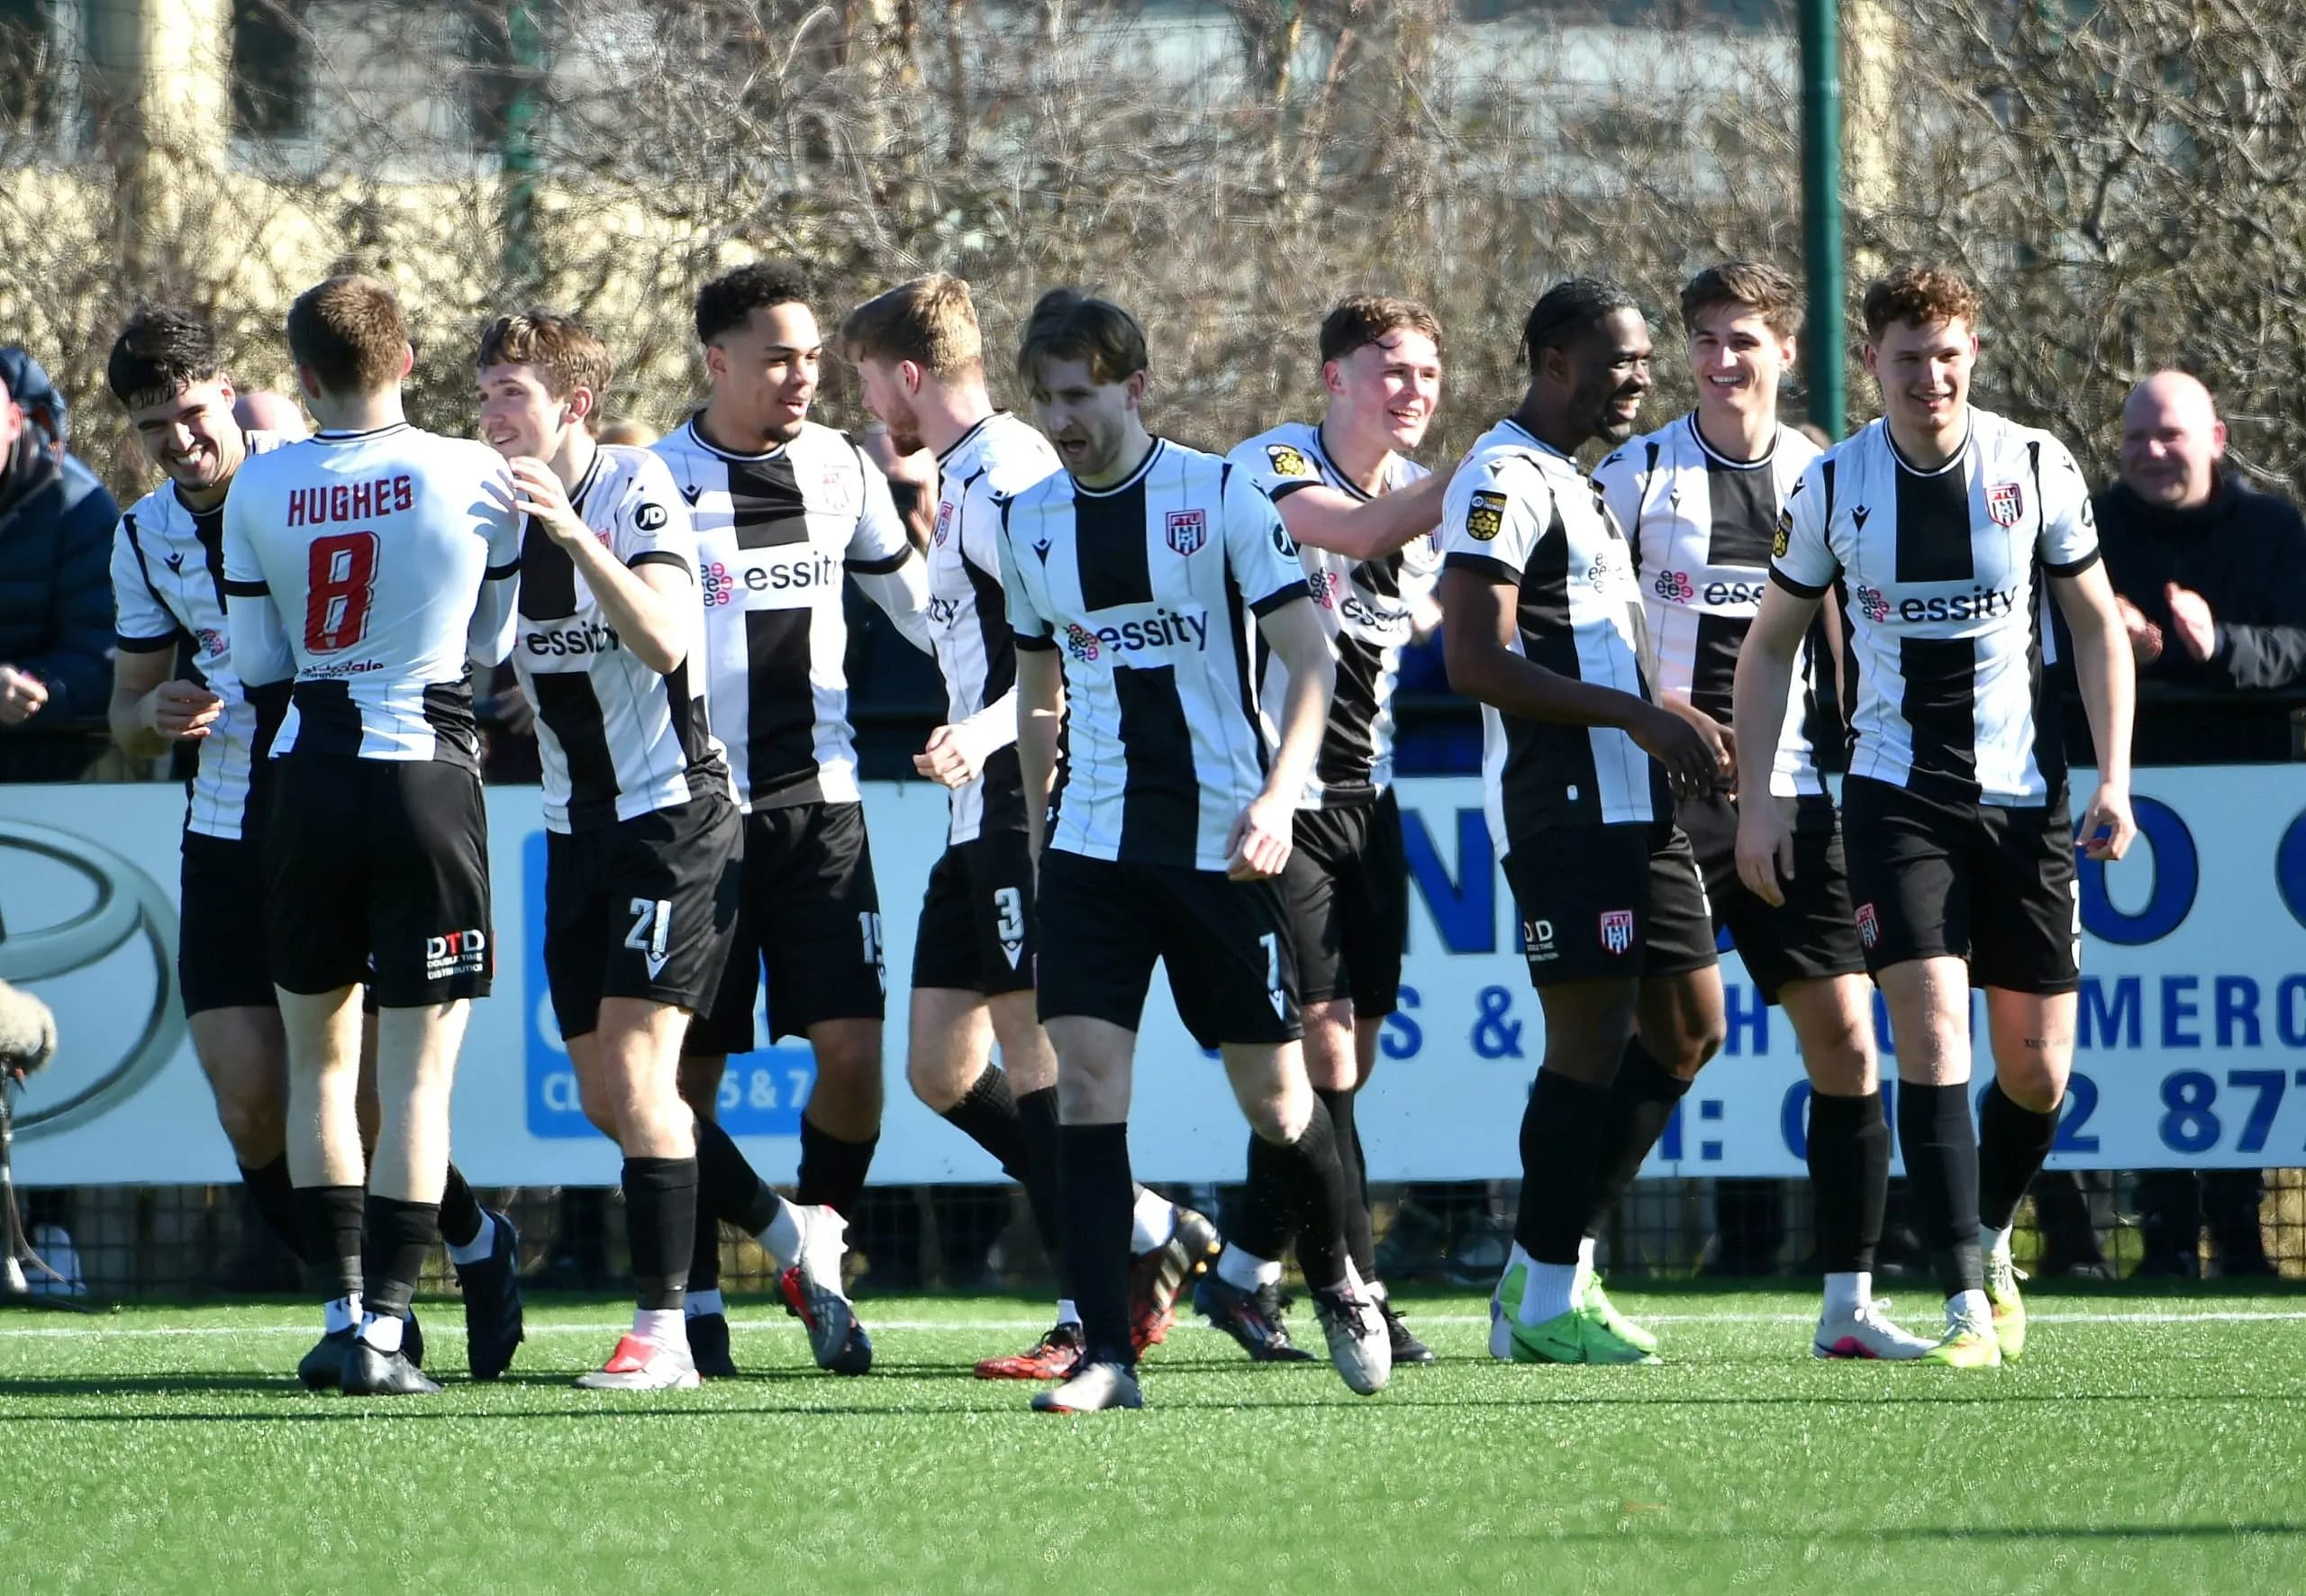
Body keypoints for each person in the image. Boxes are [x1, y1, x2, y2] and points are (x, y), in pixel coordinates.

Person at [106, 305, 522, 1379]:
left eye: (192, 412)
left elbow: (288, 653)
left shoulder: (296, 476)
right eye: (154, 426)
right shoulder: (141, 533)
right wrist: (150, 718)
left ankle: (444, 1259)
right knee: (254, 1097)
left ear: (236, 390)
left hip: (323, 782)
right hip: (230, 821)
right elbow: (124, 703)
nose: (179, 440)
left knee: (365, 1085)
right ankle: (369, 1308)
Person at [1736, 264, 2137, 1367]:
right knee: (1933, 1033)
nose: (1931, 375)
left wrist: (2114, 777)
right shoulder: (1829, 486)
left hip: (2023, 796)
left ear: (1974, 352)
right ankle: (1963, 1300)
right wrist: (1765, 793)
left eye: (1948, 352)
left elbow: (2095, 625)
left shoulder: (2034, 465)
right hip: (1892, 793)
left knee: (2038, 1069)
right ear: (1872, 362)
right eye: (1908, 357)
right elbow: (1770, 643)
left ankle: (1991, 1234)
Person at [996, 288, 1387, 1413]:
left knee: (1276, 1097)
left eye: (1081, 395)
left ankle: (1341, 1274)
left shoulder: (1219, 493)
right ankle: (1108, 1356)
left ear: (1133, 384)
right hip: (1090, 843)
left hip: (1222, 842)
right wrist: (1035, 840)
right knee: (1083, 1086)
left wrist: (1279, 796)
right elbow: (1036, 692)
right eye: (1048, 400)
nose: (1063, 419)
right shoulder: (1028, 520)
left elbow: (1311, 659)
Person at [840, 273, 1220, 1383]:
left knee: (1034, 1055)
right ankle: (1151, 1223)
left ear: (908, 375)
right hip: (971, 806)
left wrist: (990, 729)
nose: (868, 407)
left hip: (1018, 793)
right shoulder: (955, 478)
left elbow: (1074, 641)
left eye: (869, 381)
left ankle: (1083, 1302)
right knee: (936, 1067)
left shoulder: (1008, 473)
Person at [478, 308, 859, 1387]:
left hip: (672, 819)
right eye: (486, 394)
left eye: (513, 394)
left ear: (573, 405)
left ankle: (663, 1330)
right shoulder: (490, 508)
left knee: (647, 1078)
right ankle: (795, 1237)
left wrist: (570, 532)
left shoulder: (635, 486)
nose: (492, 414)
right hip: (573, 827)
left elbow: (667, 635)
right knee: (608, 1093)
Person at [1593, 262, 1930, 1358]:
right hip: (1663, 805)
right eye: (1704, 339)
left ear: (1785, 351)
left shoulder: (1826, 473)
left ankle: (1847, 1305)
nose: (1719, 358)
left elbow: (1843, 636)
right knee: (1671, 1039)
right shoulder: (1633, 476)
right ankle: (1554, 1269)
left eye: (1743, 339)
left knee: (1846, 1042)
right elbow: (1590, 628)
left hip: (1791, 797)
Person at [222, 275, 523, 1395]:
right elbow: (488, 643)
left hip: (306, 779)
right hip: (425, 780)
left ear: (301, 378)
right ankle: (392, 1332)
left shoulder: (263, 480)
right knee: (417, 1084)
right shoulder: (473, 471)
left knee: (319, 1065)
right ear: (407, 358)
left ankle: (343, 1312)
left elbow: (258, 667)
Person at [1438, 278, 1728, 1366]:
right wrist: (1635, 716)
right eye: (1619, 358)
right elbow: (1475, 658)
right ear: (1553, 359)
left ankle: (1544, 1265)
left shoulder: (1584, 482)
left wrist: (1673, 714)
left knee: (1689, 1027)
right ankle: (1546, 1292)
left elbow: (1595, 646)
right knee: (1594, 1038)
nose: (1640, 374)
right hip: (1562, 803)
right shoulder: (1502, 474)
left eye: (1646, 356)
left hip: (1634, 798)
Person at [653, 259, 930, 1375]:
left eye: (812, 355)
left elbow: (916, 604)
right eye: (777, 357)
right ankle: (697, 1297)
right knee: (684, 1078)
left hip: (823, 808)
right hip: (696, 812)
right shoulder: (655, 480)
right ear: (716, 361)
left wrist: (1001, 691)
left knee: (855, 1056)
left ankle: (818, 1252)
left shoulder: (838, 465)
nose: (801, 375)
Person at [1202, 295, 1457, 1367]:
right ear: (1333, 379)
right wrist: (1505, 457)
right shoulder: (1269, 466)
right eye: (1390, 370)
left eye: (1429, 376)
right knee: (1324, 1045)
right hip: (1276, 800)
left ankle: (1240, 1266)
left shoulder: (1422, 503)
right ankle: (1357, 1287)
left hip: (1370, 798)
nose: (1413, 392)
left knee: (1342, 1065)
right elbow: (1353, 534)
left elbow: (1423, 596)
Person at [2093, 370, 2300, 1274]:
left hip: (2249, 819)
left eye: (2168, 435)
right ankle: (2162, 1234)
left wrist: (2222, 650)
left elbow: (2298, 643)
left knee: (2233, 1026)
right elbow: (2031, 648)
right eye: (2135, 435)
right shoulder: (2083, 530)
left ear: (2214, 436)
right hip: (2122, 822)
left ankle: (2242, 1231)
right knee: (2139, 1028)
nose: (2149, 451)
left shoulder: (2272, 530)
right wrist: (2109, 647)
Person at [0, 348, 117, 781]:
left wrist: (24, 689)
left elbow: (100, 656)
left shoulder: (80, 509)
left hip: (46, 774)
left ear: (14, 422)